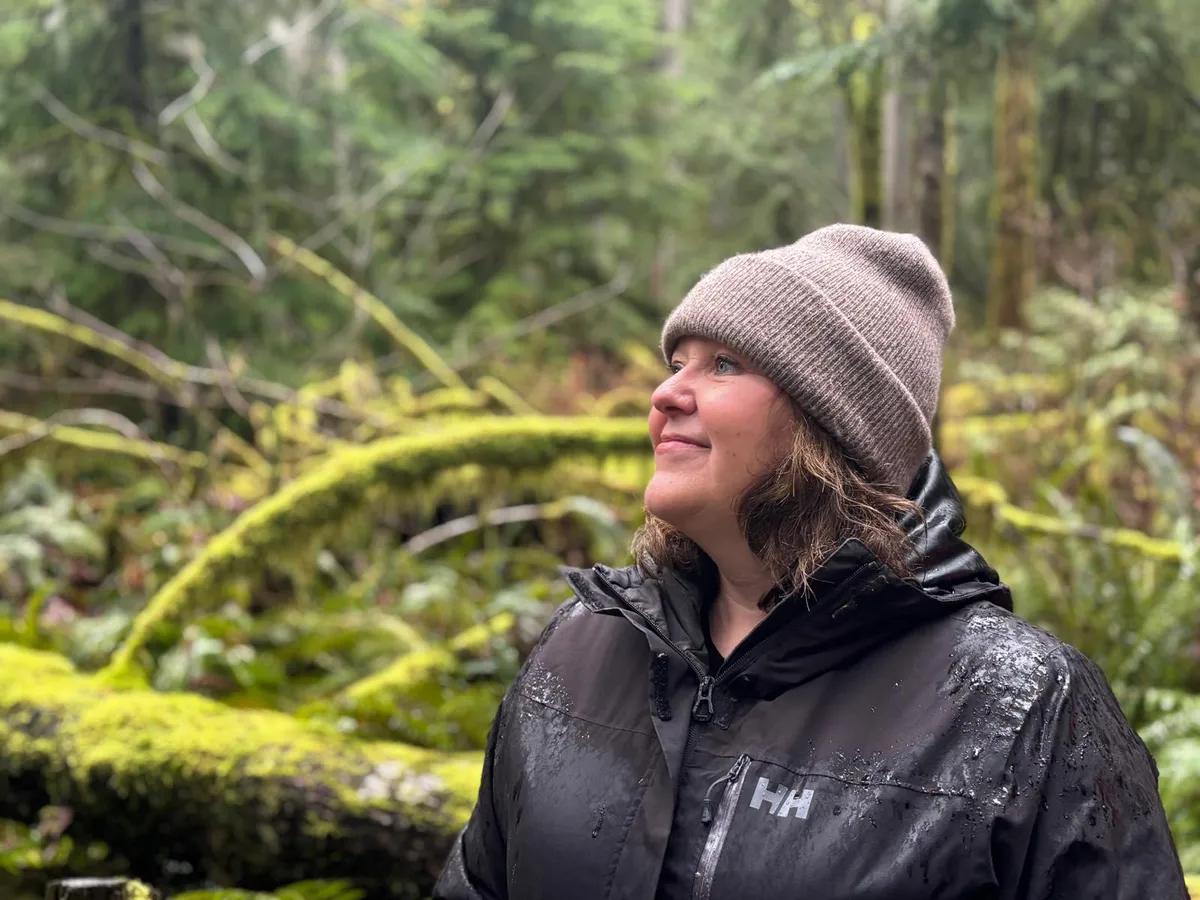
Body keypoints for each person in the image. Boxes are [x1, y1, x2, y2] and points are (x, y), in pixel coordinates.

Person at [433, 225, 1188, 899]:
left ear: (831, 427)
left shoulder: (1019, 708)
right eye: (676, 361)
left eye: (723, 364)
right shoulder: (579, 647)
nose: (666, 394)